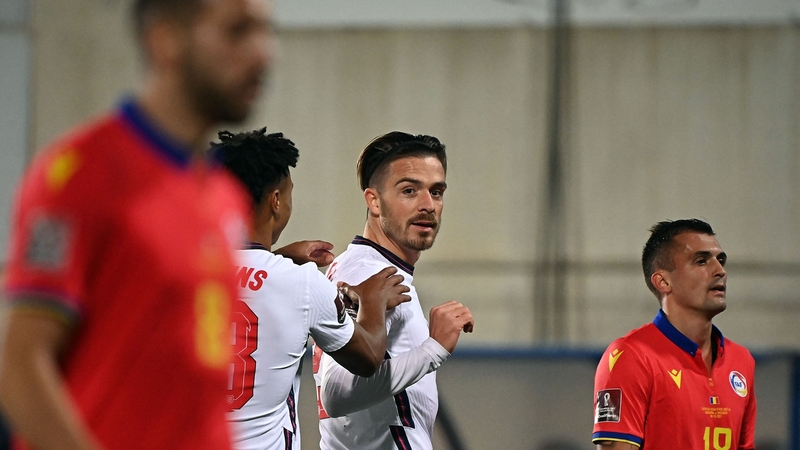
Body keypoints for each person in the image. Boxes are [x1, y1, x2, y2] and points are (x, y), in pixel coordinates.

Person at [0, 1, 277, 449]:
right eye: (237, 31)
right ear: (166, 40)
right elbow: (20, 367)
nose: (264, 52)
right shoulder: (81, 176)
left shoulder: (221, 196)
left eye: (266, 31)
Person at [214, 128, 413, 450]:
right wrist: (373, 300)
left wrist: (278, 257)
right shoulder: (302, 283)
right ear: (276, 201)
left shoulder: (179, 275)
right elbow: (368, 358)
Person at [313, 131, 475, 450]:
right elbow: (336, 393)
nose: (428, 205)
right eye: (409, 191)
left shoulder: (367, 266)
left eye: (436, 192)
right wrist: (434, 349)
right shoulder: (369, 272)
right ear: (374, 201)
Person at [592, 219, 756, 450]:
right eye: (701, 261)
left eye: (720, 260)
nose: (720, 271)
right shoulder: (629, 357)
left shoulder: (741, 360)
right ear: (663, 281)